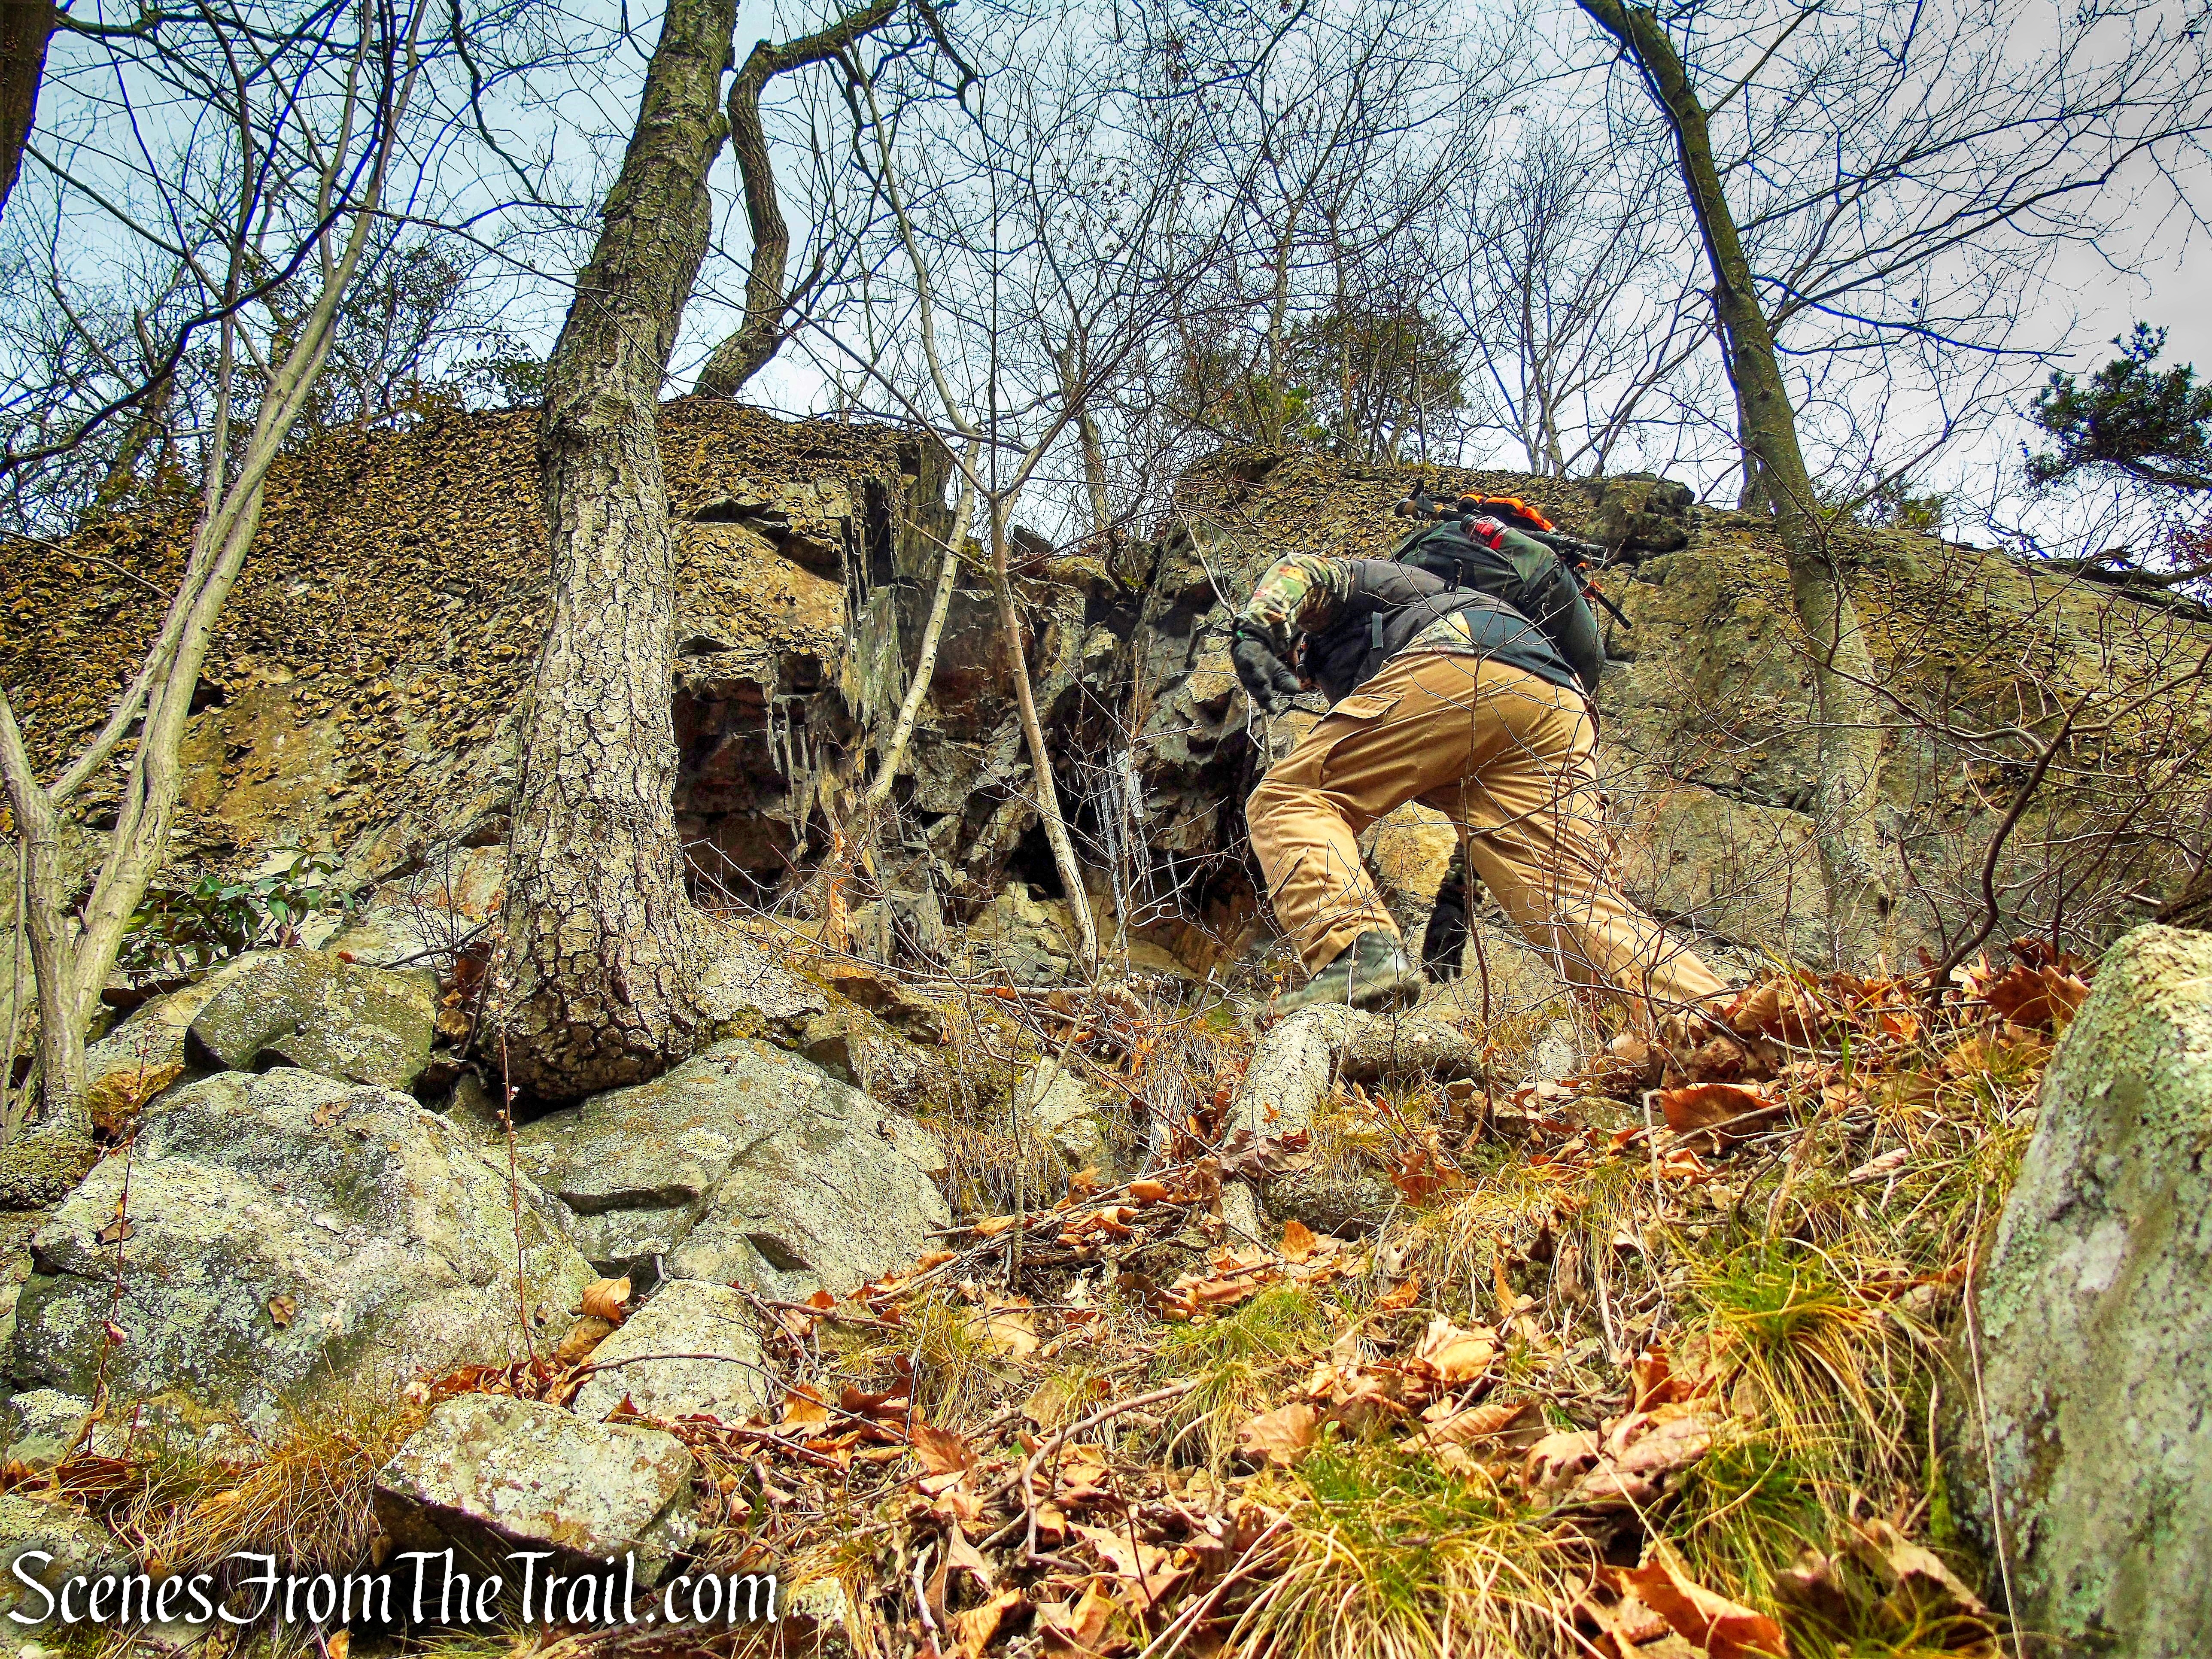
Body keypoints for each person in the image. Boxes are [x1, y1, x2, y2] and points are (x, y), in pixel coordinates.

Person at [1229, 502, 1729, 1025]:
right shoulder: (1488, 622)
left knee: (1290, 797)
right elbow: (1480, 802)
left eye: (1304, 665)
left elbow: (1304, 571)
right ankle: (1723, 1024)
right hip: (1559, 705)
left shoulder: (1397, 587)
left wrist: (1256, 631)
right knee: (1570, 903)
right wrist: (1454, 900)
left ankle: (1356, 955)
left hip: (1463, 661)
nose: (1306, 679)